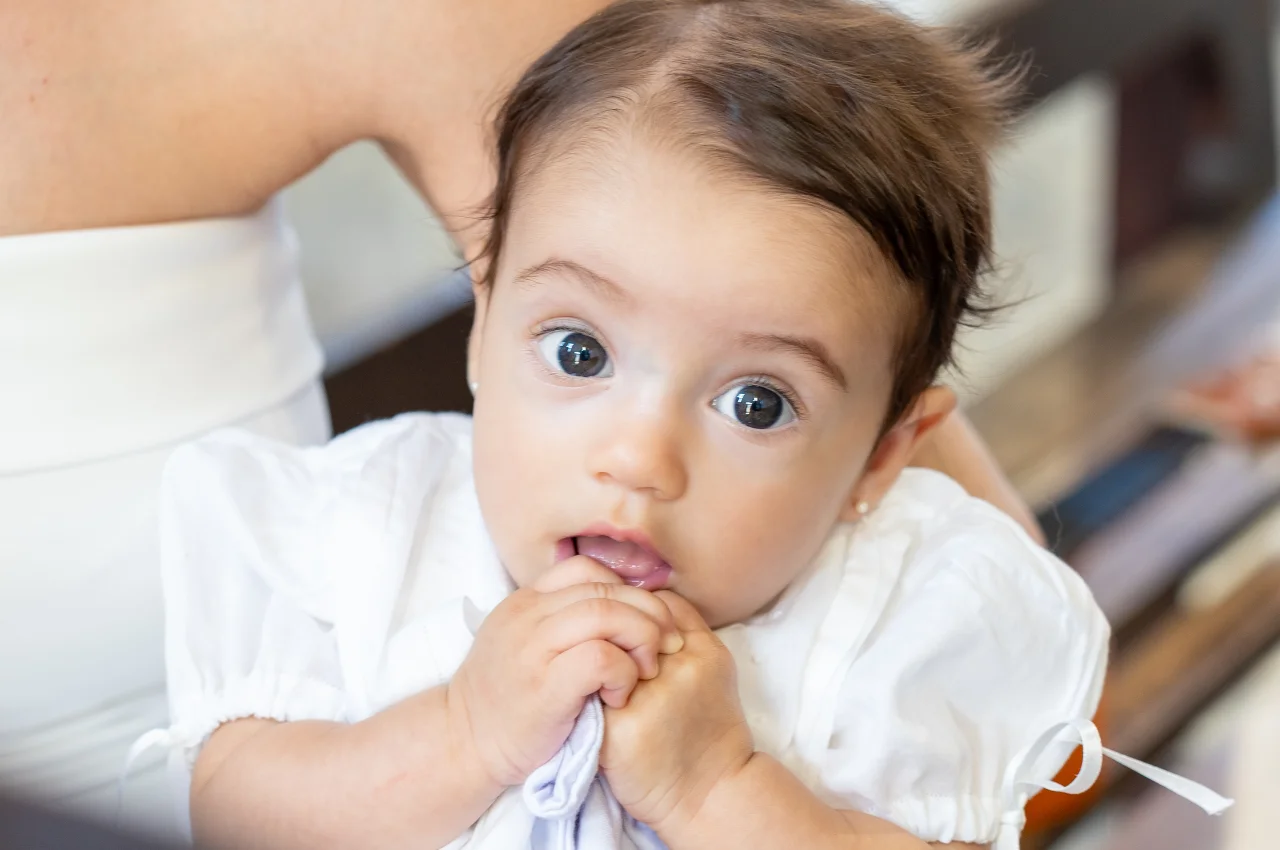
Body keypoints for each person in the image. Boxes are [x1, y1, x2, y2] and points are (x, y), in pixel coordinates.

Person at [148, 2, 1228, 847]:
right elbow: (233, 814)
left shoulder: (894, 617)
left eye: (755, 402)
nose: (639, 458)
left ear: (882, 454)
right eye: (578, 352)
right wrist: (464, 734)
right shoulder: (373, 530)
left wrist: (721, 792)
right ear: (484, 331)